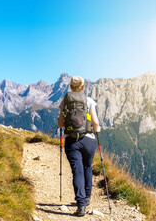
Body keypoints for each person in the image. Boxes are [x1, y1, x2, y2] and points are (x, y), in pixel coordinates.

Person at [57, 75, 101, 217]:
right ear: (83, 87)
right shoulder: (88, 101)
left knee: (77, 171)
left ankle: (81, 205)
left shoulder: (65, 101)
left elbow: (61, 124)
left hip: (72, 141)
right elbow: (94, 121)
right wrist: (97, 128)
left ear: (70, 87)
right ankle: (87, 197)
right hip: (88, 139)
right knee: (87, 167)